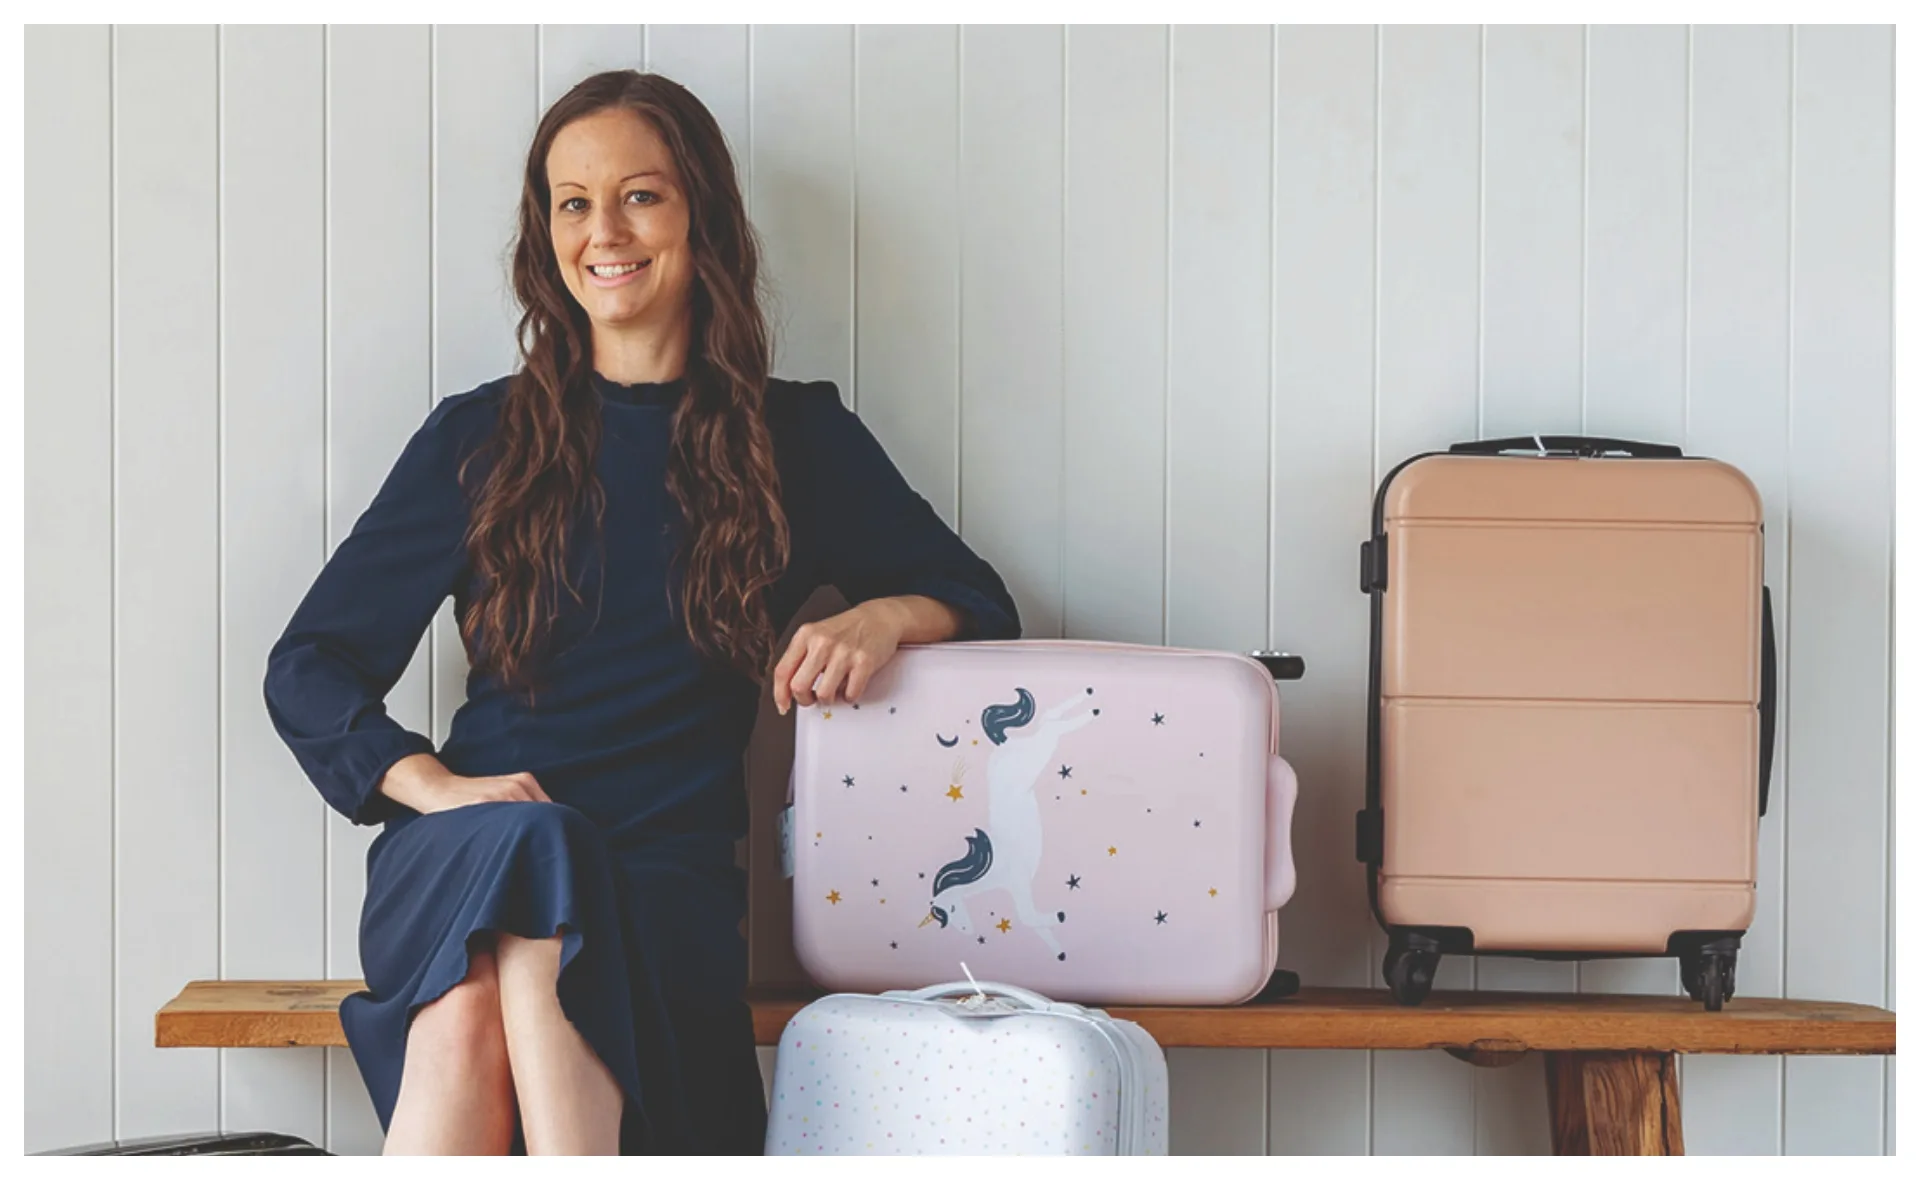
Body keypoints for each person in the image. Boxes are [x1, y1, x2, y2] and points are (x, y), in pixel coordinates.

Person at [262, 69, 1021, 1157]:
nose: (603, 230)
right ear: (547, 234)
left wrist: (891, 613)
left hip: (664, 877)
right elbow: (311, 662)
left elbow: (983, 605)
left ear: (698, 214)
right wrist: (431, 786)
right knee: (531, 847)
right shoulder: (477, 440)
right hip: (470, 848)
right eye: (573, 202)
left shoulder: (796, 439)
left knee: (479, 996)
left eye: (640, 196)